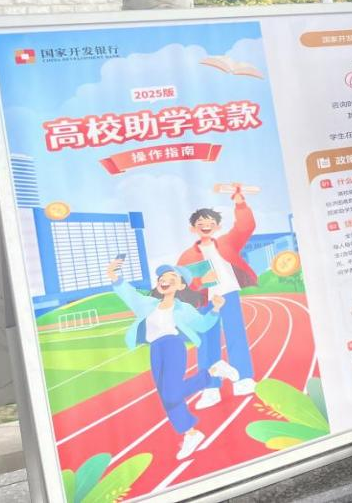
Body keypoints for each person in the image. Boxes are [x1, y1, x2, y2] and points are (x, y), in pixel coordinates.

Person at [106, 259, 238, 460]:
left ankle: (214, 372)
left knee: (172, 393)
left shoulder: (184, 309)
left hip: (173, 347)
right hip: (155, 350)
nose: (165, 280)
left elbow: (203, 325)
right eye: (162, 277)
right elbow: (128, 293)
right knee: (166, 397)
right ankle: (191, 434)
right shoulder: (147, 304)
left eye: (172, 277)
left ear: (181, 286)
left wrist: (215, 309)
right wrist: (113, 273)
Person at [177, 186, 258, 409]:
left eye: (210, 223)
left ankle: (243, 379)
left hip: (228, 294)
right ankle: (211, 388)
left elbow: (245, 227)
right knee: (206, 343)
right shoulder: (187, 256)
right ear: (193, 228)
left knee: (236, 336)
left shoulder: (227, 242)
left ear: (217, 226)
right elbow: (181, 284)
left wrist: (240, 203)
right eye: (200, 223)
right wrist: (200, 282)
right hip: (205, 301)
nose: (206, 226)